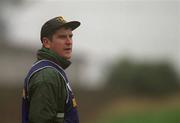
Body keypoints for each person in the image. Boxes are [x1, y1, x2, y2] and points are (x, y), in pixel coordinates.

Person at [22, 16, 81, 123]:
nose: (69, 42)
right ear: (46, 43)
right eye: (62, 37)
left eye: (70, 36)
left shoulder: (53, 70)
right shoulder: (46, 75)